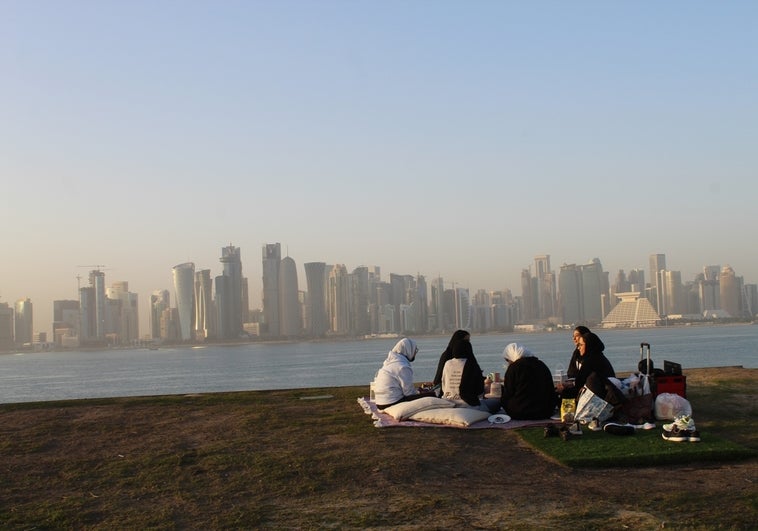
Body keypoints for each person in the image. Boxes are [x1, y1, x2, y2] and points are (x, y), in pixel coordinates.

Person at [440, 336, 500, 412]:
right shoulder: (472, 365)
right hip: (469, 406)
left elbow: (444, 385)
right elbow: (480, 392)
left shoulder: (447, 363)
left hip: (448, 404)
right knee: (497, 402)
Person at [500, 342, 558, 420]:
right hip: (545, 411)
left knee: (502, 401)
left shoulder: (514, 368)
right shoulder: (541, 365)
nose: (508, 363)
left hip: (521, 412)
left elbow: (509, 393)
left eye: (508, 360)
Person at [374, 337, 432, 410]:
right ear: (408, 350)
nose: (415, 353)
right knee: (431, 395)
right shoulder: (402, 366)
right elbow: (408, 393)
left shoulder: (390, 362)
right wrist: (422, 392)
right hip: (391, 402)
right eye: (415, 350)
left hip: (380, 402)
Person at [432, 329, 474, 395]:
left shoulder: (466, 356)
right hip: (444, 389)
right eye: (466, 341)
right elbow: (440, 379)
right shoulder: (447, 356)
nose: (468, 343)